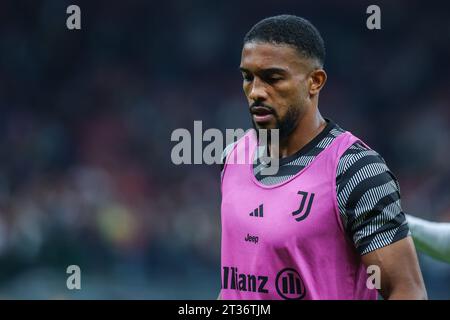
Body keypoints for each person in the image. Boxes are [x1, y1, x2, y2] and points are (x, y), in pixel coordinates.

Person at [219, 14, 427, 300]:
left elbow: (406, 290)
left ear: (314, 82)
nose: (255, 92)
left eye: (273, 78)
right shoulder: (234, 156)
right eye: (248, 77)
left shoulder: (356, 169)